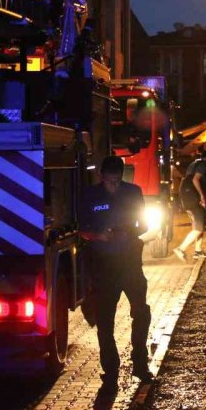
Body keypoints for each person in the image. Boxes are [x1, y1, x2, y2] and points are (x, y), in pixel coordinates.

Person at [78, 155, 153, 388]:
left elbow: (145, 224)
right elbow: (81, 228)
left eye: (117, 181)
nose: (113, 185)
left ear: (122, 177)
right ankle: (110, 371)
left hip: (130, 264)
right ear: (101, 176)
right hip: (103, 267)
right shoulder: (90, 195)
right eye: (110, 181)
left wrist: (129, 232)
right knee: (105, 322)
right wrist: (98, 235)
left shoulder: (133, 192)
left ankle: (140, 364)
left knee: (141, 312)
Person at [174, 150, 206, 261]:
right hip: (193, 198)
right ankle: (181, 249)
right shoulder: (204, 165)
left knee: (199, 226)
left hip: (187, 196)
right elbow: (196, 179)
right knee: (198, 228)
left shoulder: (193, 164)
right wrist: (202, 196)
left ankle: (198, 251)